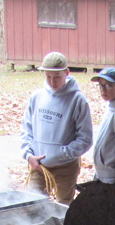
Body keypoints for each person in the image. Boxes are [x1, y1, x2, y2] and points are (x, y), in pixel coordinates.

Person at [19, 51, 93, 204]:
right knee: (34, 203)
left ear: (66, 73)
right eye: (48, 77)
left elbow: (85, 139)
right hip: (38, 165)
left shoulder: (77, 100)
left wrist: (61, 154)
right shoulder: (37, 97)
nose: (52, 81)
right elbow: (26, 129)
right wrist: (28, 155)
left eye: (57, 77)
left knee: (63, 206)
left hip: (65, 166)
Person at [89, 67, 115, 185]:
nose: (103, 90)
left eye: (108, 85)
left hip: (112, 176)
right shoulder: (110, 106)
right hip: (101, 174)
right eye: (101, 85)